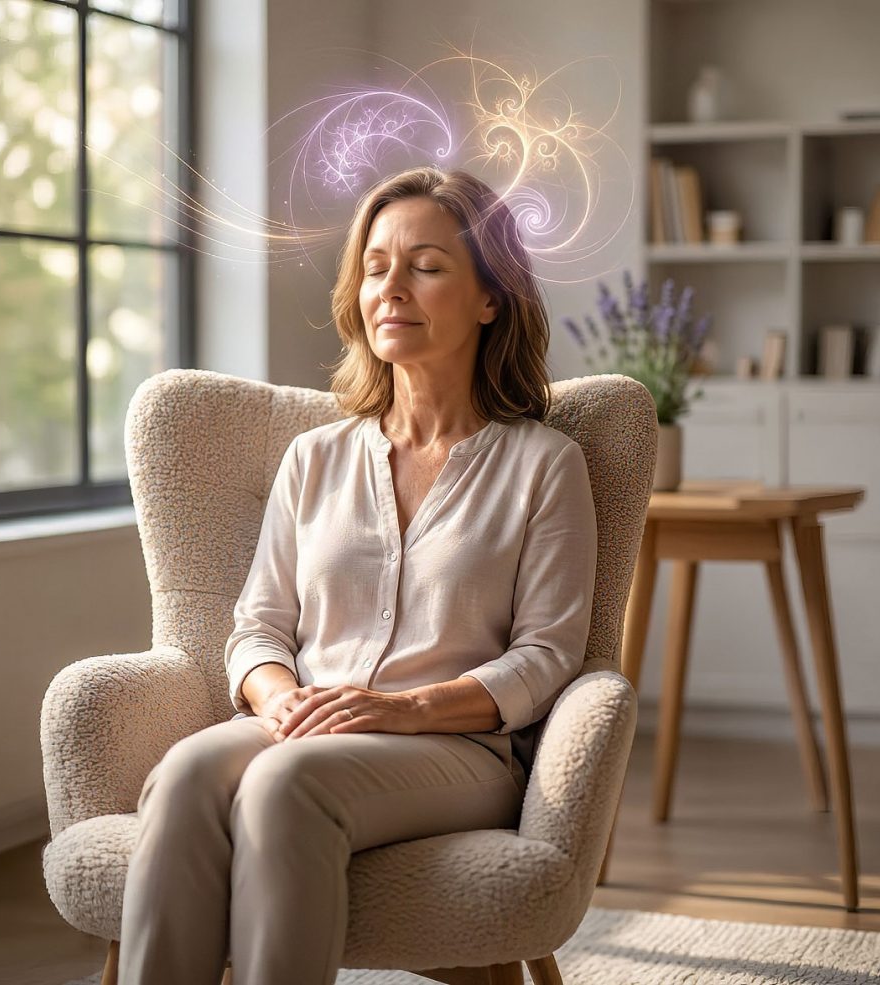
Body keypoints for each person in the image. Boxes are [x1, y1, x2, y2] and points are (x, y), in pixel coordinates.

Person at [117, 166, 598, 985]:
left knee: (282, 786)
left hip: (458, 749)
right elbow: (258, 625)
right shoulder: (316, 457)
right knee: (189, 770)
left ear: (491, 296)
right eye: (375, 266)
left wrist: (403, 709)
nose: (391, 288)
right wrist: (280, 697)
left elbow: (547, 656)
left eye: (426, 266)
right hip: (308, 722)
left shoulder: (544, 465)